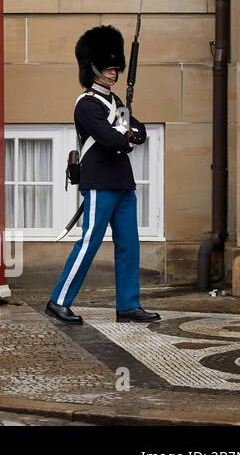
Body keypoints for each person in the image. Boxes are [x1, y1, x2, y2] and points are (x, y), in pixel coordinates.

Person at [45, 25, 160, 325]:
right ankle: (58, 300)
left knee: (129, 245)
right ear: (93, 68)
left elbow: (141, 132)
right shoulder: (86, 105)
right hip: (99, 183)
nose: (113, 74)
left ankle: (128, 305)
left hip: (122, 181)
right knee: (90, 243)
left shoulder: (117, 104)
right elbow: (112, 140)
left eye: (115, 69)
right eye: (109, 69)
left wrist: (128, 134)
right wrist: (126, 136)